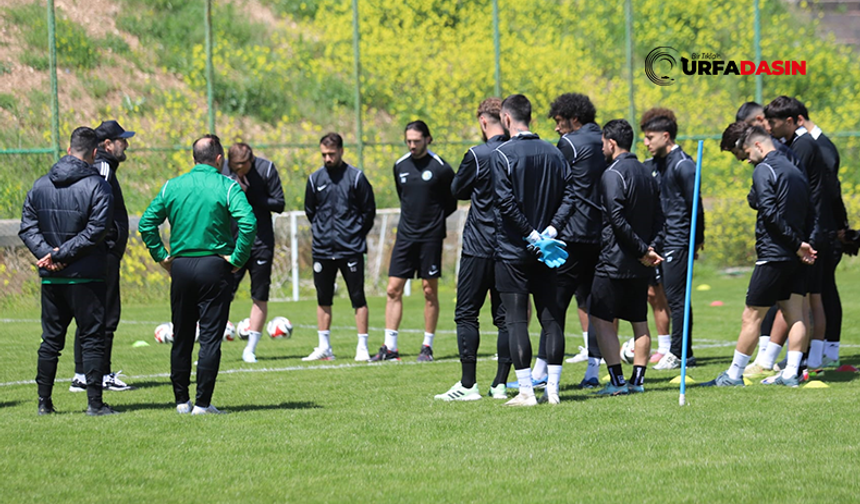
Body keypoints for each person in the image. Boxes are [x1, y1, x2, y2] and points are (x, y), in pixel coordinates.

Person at [139, 134, 256, 414]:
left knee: (181, 336)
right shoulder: (227, 186)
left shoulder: (173, 186)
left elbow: (146, 224)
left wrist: (163, 258)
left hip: (181, 266)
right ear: (219, 159)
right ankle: (202, 404)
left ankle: (181, 402)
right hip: (214, 267)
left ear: (193, 159)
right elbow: (249, 224)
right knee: (210, 337)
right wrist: (238, 259)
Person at [702, 127, 816, 387]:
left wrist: (797, 244)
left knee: (751, 316)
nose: (746, 159)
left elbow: (768, 212)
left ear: (757, 145)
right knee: (795, 314)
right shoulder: (795, 170)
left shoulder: (765, 169)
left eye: (745, 153)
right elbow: (809, 211)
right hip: (796, 255)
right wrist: (804, 244)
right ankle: (790, 374)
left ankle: (733, 375)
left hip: (774, 254)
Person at [19, 126, 117, 416]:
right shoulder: (99, 186)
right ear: (95, 152)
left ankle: (44, 403)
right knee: (92, 339)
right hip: (86, 275)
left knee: (50, 340)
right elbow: (97, 230)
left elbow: (28, 227)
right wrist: (60, 254)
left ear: (68, 148)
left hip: (52, 276)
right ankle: (95, 405)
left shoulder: (40, 184)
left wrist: (48, 255)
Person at [492, 93, 575, 406]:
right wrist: (550, 231)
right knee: (551, 319)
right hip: (549, 250)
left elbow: (505, 203)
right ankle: (552, 389)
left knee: (516, 318)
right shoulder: (556, 153)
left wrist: (530, 234)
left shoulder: (503, 154)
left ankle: (526, 390)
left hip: (515, 250)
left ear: (508, 119)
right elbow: (571, 196)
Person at [435, 98, 511, 401]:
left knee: (466, 312)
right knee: (506, 316)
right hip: (510, 247)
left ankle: (468, 385)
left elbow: (457, 190)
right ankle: (501, 383)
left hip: (479, 246)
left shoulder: (477, 155)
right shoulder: (517, 151)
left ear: (483, 121)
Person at [369, 120, 456, 362]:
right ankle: (390, 347)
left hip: (430, 238)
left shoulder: (441, 168)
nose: (412, 145)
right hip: (405, 236)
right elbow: (404, 197)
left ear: (428, 139)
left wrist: (433, 221)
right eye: (408, 141)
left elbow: (451, 202)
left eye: (417, 141)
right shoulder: (400, 166)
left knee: (429, 291)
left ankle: (427, 346)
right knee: (392, 289)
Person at [589, 119, 664, 396]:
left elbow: (617, 221)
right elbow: (660, 218)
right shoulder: (647, 172)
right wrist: (650, 249)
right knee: (639, 321)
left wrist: (643, 250)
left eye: (602, 144)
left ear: (611, 142)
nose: (601, 149)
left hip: (615, 260)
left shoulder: (613, 174)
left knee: (600, 318)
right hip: (640, 262)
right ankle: (638, 382)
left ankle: (618, 382)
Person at [544, 92, 606, 388]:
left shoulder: (569, 143)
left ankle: (543, 372)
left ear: (574, 119)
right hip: (602, 234)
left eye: (559, 121)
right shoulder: (607, 141)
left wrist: (551, 226)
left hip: (571, 233)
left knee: (554, 304)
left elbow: (560, 187)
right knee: (593, 303)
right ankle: (593, 372)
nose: (557, 127)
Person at [68, 120, 135, 393]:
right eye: (122, 140)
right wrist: (106, 239)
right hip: (102, 252)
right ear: (107, 144)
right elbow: (96, 202)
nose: (126, 144)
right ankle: (100, 373)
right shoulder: (103, 167)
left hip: (98, 250)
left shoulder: (103, 166)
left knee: (91, 312)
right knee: (105, 313)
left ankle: (82, 374)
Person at [640, 108, 705, 370]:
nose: (646, 143)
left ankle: (679, 354)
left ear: (666, 136)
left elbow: (695, 206)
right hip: (663, 240)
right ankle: (682, 351)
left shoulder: (683, 165)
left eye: (650, 137)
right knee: (668, 296)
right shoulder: (658, 164)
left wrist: (697, 240)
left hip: (679, 240)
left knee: (677, 298)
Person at [304, 133, 376, 362]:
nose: (327, 158)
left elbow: (368, 212)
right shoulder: (315, 179)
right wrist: (322, 233)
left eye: (331, 154)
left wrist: (353, 234)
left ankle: (362, 347)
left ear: (342, 151)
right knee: (323, 298)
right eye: (324, 154)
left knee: (358, 297)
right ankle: (324, 347)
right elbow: (310, 211)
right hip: (323, 250)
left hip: (350, 249)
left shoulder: (356, 177)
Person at [221, 142, 285, 363]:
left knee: (259, 295)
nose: (239, 171)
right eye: (235, 167)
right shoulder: (223, 171)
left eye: (243, 166)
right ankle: (211, 349)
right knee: (221, 294)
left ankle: (251, 349)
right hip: (231, 244)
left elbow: (279, 203)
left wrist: (252, 196)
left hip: (260, 244)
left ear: (251, 160)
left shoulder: (266, 169)